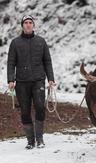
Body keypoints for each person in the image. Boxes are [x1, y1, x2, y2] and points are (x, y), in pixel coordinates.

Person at [7, 15, 55, 149]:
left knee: (40, 108)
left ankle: (39, 139)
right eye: (25, 23)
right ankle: (30, 140)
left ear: (33, 25)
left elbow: (47, 61)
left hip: (38, 81)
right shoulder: (15, 43)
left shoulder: (41, 41)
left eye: (30, 22)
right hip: (21, 82)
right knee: (25, 111)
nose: (28, 25)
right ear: (22, 25)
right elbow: (11, 62)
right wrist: (10, 79)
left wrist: (50, 78)